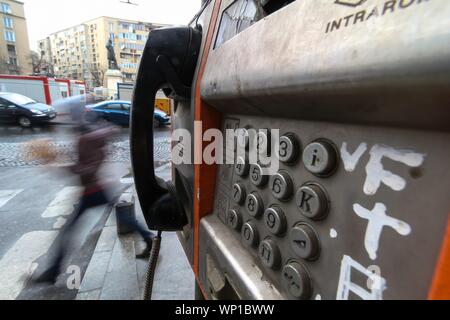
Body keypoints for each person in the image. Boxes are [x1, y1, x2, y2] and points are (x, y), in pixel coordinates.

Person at [33, 123, 154, 284]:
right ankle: (148, 238)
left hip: (94, 192)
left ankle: (52, 272)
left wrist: (63, 167)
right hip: (99, 189)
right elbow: (108, 134)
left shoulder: (83, 141)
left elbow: (87, 170)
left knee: (68, 231)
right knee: (124, 219)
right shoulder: (95, 140)